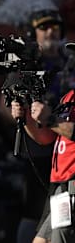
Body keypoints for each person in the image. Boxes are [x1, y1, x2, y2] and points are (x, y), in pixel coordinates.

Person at [11, 79, 75, 242]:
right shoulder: (69, 96)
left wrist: (50, 119)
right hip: (61, 184)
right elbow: (47, 138)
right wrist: (26, 116)